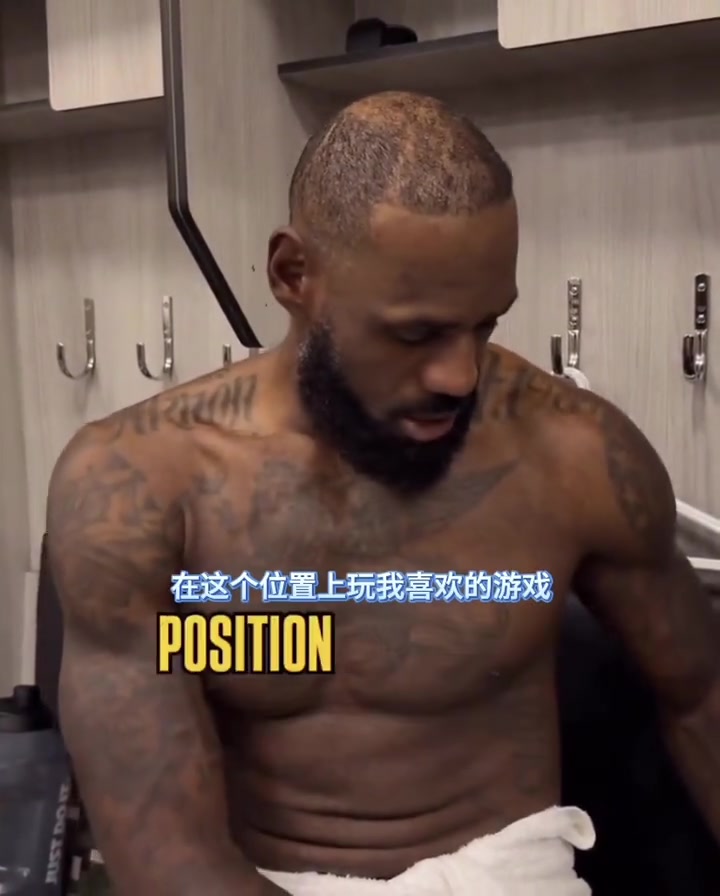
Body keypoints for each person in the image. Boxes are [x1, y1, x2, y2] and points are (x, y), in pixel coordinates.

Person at [46, 91, 720, 896]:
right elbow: (165, 853)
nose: (459, 376)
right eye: (415, 332)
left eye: (484, 325)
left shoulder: (577, 455)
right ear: (295, 275)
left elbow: (701, 699)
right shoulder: (139, 485)